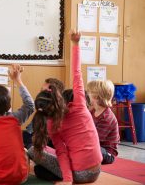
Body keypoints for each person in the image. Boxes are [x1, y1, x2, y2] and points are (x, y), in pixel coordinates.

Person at [28, 31, 102, 184]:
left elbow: (62, 153)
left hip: (79, 174)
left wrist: (68, 180)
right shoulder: (80, 104)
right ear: (58, 96)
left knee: (32, 152)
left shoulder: (51, 124)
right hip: (97, 171)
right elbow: (77, 73)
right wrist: (75, 43)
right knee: (49, 155)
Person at [23, 78, 64, 149]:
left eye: (46, 92)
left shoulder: (63, 118)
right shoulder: (40, 113)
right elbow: (27, 135)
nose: (42, 95)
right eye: (41, 91)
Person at [87, 80, 120, 164]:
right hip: (94, 146)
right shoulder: (92, 111)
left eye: (89, 92)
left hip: (106, 153)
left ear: (96, 96)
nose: (87, 95)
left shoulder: (107, 117)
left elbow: (94, 139)